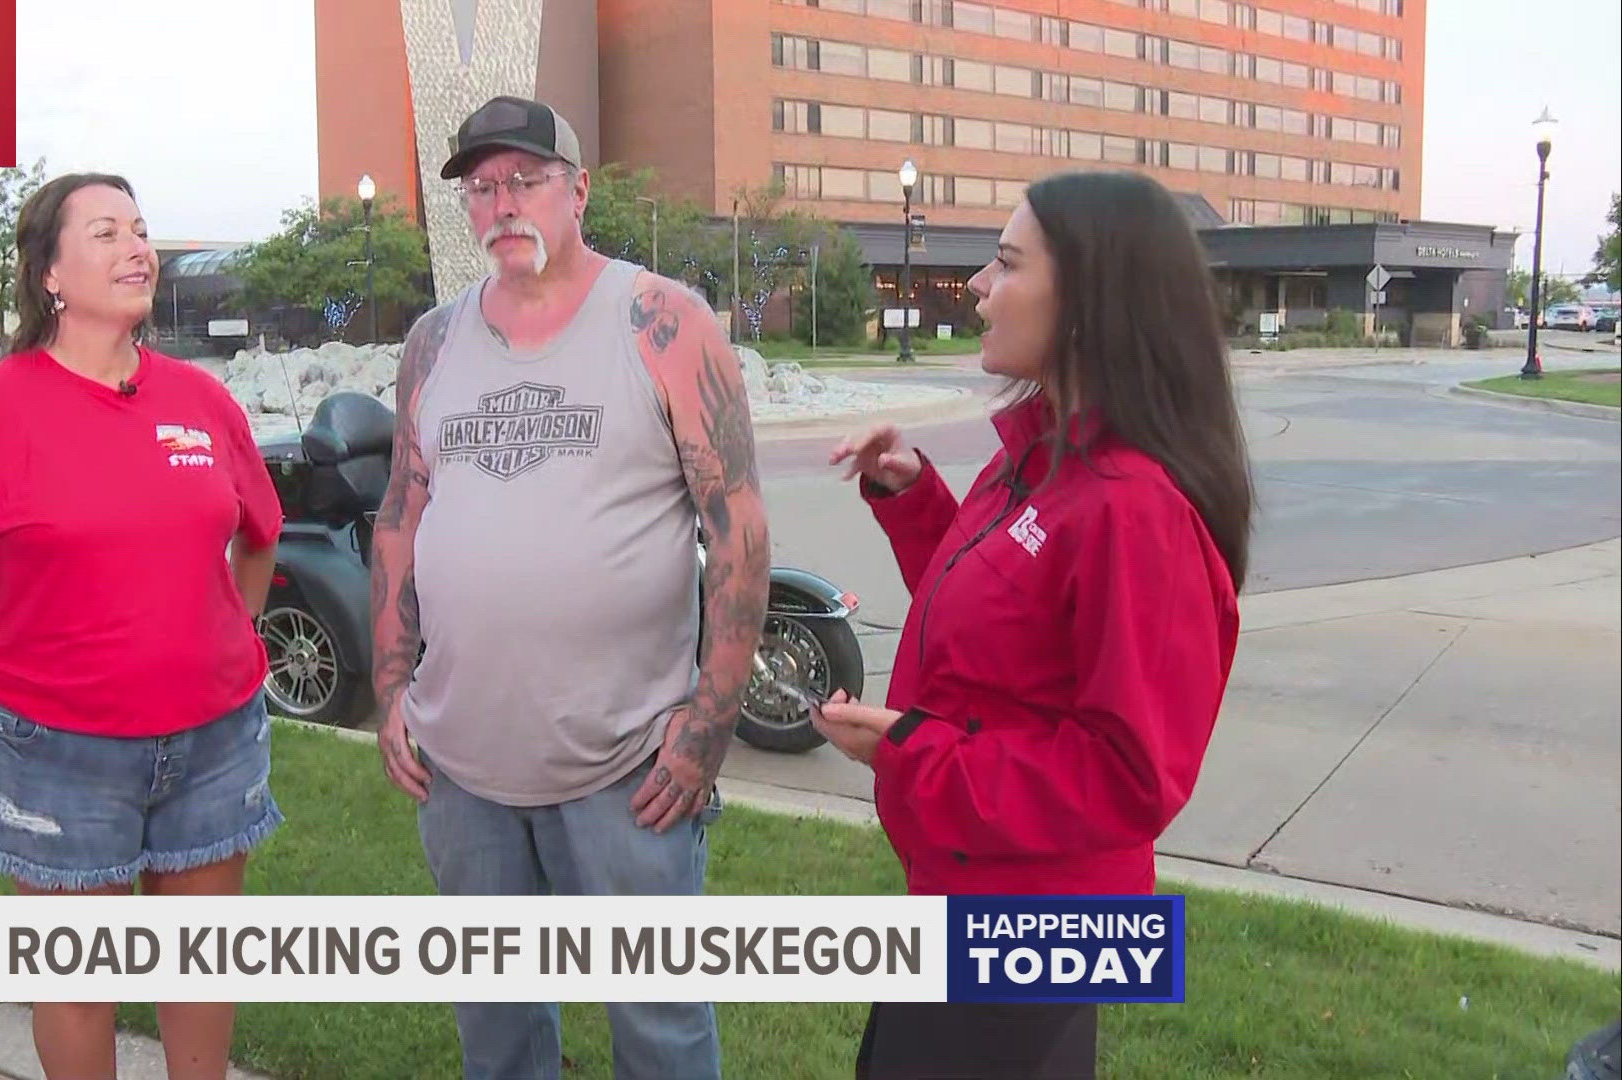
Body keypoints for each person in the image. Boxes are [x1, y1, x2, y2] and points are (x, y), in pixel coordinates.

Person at [0, 172, 284, 1080]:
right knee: (79, 982)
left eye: (142, 229)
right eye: (106, 233)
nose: (136, 248)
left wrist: (223, 641)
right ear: (49, 274)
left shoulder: (200, 402)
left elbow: (259, 535)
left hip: (213, 743)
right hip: (56, 751)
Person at [817, 169, 1254, 1079]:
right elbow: (1004, 617)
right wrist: (915, 498)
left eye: (1006, 263)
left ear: (1090, 300)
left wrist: (912, 750)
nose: (977, 285)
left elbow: (1127, 774)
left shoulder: (1133, 508)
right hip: (967, 891)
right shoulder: (1042, 456)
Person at [370, 95, 770, 1080]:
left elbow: (739, 537)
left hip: (629, 767)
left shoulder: (664, 324)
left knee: (660, 1027)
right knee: (495, 1029)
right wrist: (389, 691)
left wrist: (705, 732)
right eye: (482, 186)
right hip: (463, 769)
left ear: (578, 190)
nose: (503, 203)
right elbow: (399, 520)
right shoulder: (433, 342)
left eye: (526, 180)